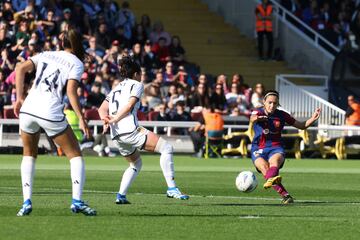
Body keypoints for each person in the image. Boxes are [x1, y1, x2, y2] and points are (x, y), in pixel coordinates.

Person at [14, 28, 96, 216]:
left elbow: (20, 69)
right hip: (49, 110)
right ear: (77, 44)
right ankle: (77, 201)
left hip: (28, 108)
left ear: (61, 43)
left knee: (28, 154)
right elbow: (70, 92)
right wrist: (81, 118)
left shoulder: (46, 54)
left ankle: (26, 202)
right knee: (75, 155)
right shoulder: (76, 63)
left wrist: (19, 98)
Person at [98, 56, 189, 204]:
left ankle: (121, 195)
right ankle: (172, 188)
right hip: (130, 130)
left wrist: (106, 121)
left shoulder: (116, 88)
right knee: (166, 148)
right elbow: (128, 107)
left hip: (117, 134)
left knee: (135, 164)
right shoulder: (137, 84)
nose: (141, 77)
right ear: (135, 74)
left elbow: (102, 108)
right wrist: (114, 119)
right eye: (140, 74)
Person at [250, 90, 321, 204]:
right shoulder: (257, 111)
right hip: (258, 148)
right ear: (264, 102)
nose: (272, 105)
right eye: (269, 102)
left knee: (274, 163)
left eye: (275, 103)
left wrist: (312, 118)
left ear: (278, 104)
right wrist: (258, 118)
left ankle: (271, 179)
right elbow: (252, 118)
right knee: (264, 168)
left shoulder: (282, 115)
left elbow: (301, 126)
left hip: (275, 147)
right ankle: (286, 195)